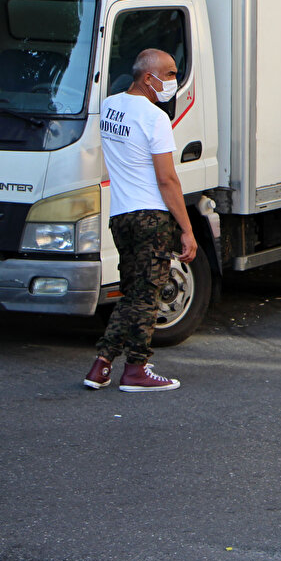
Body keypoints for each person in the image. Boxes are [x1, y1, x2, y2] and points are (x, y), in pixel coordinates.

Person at [83, 49, 196, 392]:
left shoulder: (111, 106)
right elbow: (167, 179)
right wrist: (187, 229)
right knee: (147, 297)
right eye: (170, 73)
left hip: (121, 216)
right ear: (148, 77)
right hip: (151, 217)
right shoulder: (154, 117)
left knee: (133, 293)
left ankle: (102, 365)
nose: (174, 80)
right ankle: (135, 370)